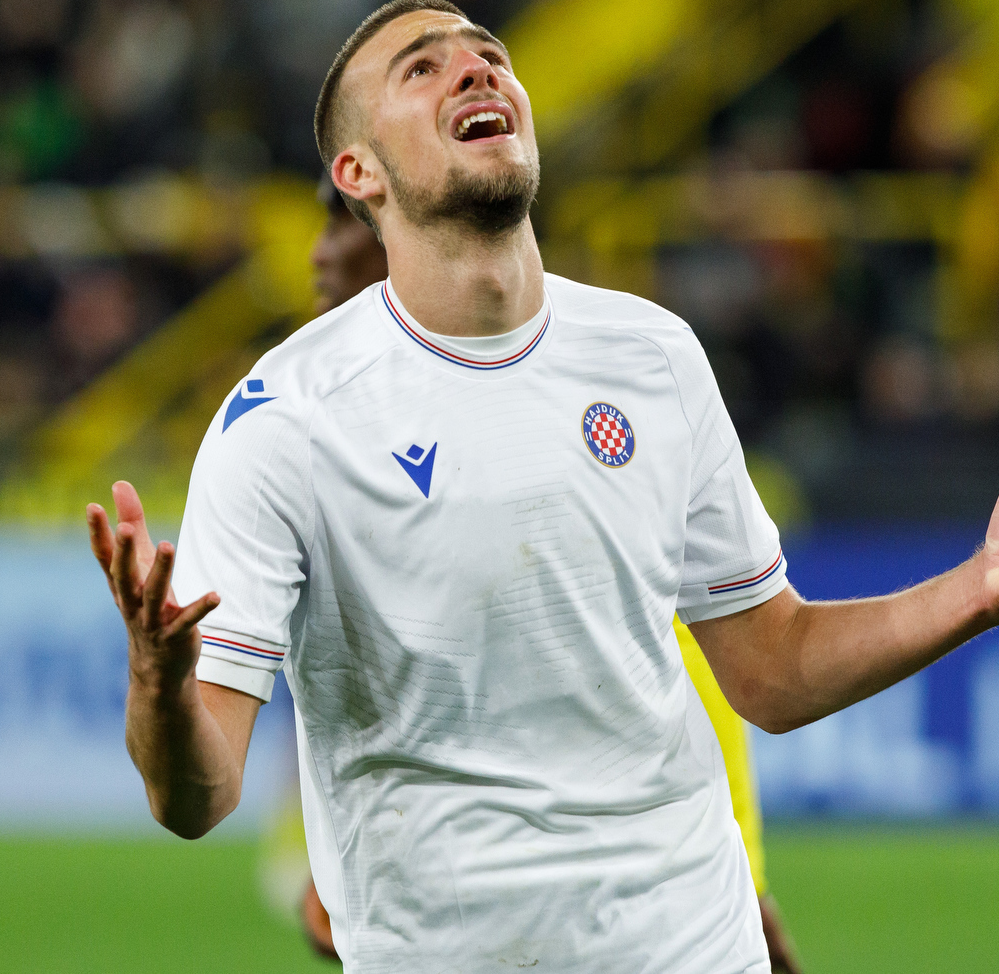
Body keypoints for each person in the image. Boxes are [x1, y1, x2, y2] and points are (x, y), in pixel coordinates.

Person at [86, 0, 999, 973]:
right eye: (421, 67)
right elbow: (199, 793)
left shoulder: (651, 354)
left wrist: (975, 586)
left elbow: (774, 666)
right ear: (357, 174)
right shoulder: (281, 423)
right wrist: (159, 685)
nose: (475, 69)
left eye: (489, 55)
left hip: (689, 945)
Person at [286, 184, 800, 970]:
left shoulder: (578, 393)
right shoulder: (299, 419)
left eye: (337, 222)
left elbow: (691, 671)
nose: (319, 250)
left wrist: (743, 889)